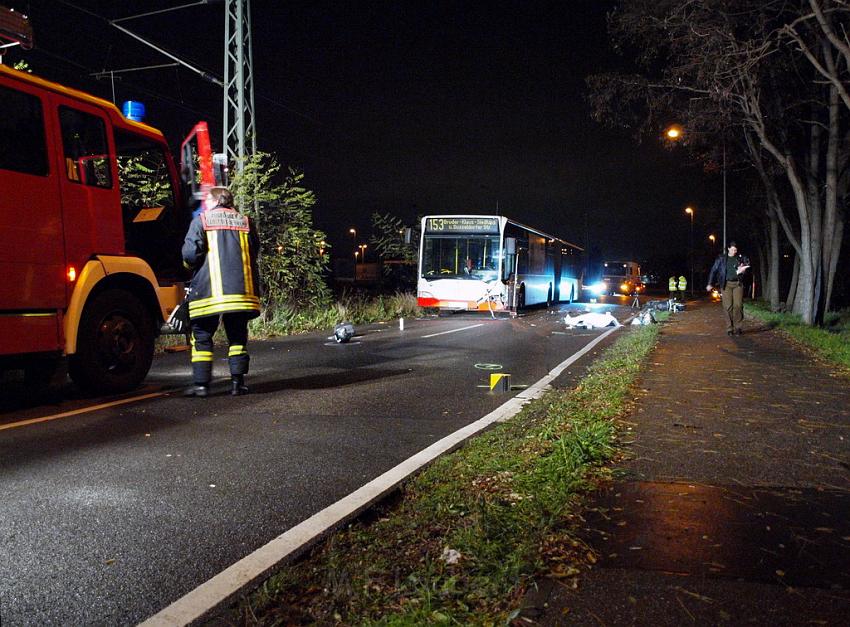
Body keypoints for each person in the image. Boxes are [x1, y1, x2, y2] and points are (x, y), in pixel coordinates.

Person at [182, 186, 261, 397]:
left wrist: (189, 268)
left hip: (209, 293)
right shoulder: (246, 222)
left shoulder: (202, 221)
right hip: (240, 292)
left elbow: (190, 255)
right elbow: (256, 249)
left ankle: (201, 386)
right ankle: (237, 384)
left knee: (201, 336)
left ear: (212, 202)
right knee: (237, 337)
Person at [706, 240, 750, 335]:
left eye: (736, 250)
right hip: (726, 284)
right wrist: (710, 283)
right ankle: (730, 328)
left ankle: (738, 327)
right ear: (728, 249)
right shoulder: (721, 258)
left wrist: (743, 269)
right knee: (728, 306)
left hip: (738, 284)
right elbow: (713, 270)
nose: (734, 252)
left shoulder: (739, 258)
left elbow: (746, 267)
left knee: (738, 305)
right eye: (733, 250)